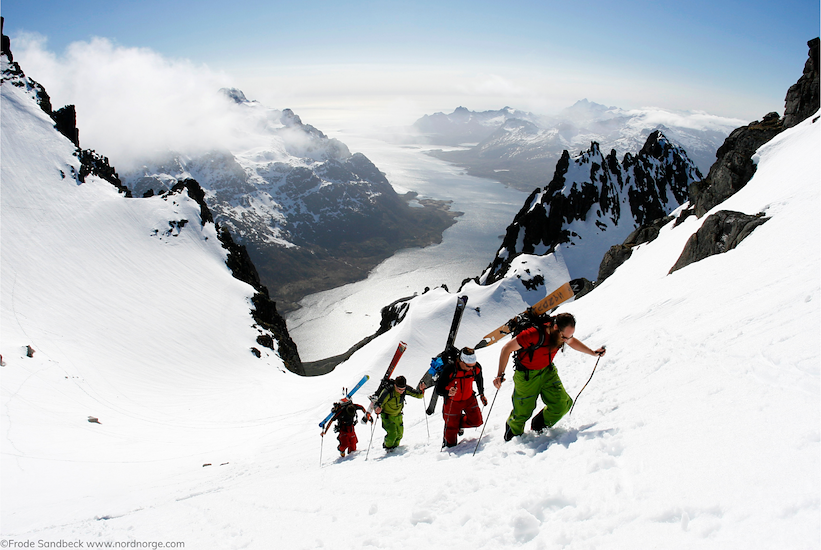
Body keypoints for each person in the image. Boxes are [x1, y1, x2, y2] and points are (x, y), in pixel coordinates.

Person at [493, 312, 606, 441]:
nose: (565, 340)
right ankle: (512, 435)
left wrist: (592, 353)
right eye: (564, 337)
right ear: (556, 327)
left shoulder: (561, 335)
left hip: (547, 371)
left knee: (562, 404)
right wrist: (499, 374)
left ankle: (539, 426)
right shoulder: (534, 334)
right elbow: (507, 348)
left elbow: (572, 341)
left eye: (568, 337)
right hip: (526, 376)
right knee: (522, 411)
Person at [435, 347, 487, 448]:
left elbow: (479, 379)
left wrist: (481, 394)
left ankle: (457, 424)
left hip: (469, 398)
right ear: (461, 361)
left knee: (477, 421)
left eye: (473, 366)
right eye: (469, 366)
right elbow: (438, 389)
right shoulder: (450, 369)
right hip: (452, 402)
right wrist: (448, 392)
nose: (471, 368)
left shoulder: (476, 367)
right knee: (451, 441)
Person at [374, 376, 425, 451]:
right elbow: (378, 403)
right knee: (392, 434)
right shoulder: (388, 391)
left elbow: (419, 395)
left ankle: (395, 450)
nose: (401, 391)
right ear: (395, 385)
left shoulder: (405, 389)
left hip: (398, 415)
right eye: (399, 389)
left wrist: (421, 390)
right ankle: (388, 448)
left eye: (403, 389)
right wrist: (377, 409)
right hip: (387, 416)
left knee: (399, 435)